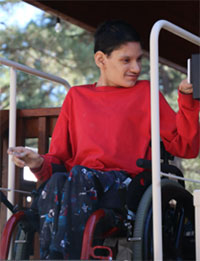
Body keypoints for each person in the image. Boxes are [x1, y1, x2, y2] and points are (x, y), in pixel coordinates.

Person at [8, 20, 199, 260]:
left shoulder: (145, 93)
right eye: (126, 60)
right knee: (57, 181)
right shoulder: (76, 97)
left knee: (78, 176)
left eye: (139, 59)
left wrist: (186, 100)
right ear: (101, 60)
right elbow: (56, 162)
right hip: (77, 187)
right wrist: (36, 162)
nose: (137, 68)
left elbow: (186, 146)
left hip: (125, 187)